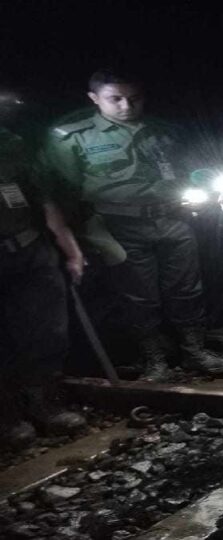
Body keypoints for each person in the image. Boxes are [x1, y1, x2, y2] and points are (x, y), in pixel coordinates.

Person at [41, 69, 223, 382]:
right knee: (138, 295)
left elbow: (190, 170)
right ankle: (153, 358)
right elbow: (62, 189)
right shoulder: (72, 136)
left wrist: (202, 191)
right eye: (115, 99)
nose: (126, 106)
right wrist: (77, 235)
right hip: (117, 224)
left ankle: (194, 350)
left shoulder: (164, 131)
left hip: (173, 218)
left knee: (187, 289)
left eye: (134, 98)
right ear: (94, 98)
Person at [0, 88, 86, 448]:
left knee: (47, 333)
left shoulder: (12, 144)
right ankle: (7, 416)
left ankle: (45, 405)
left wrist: (71, 251)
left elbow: (44, 200)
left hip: (30, 249)